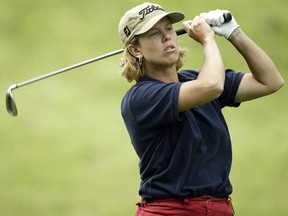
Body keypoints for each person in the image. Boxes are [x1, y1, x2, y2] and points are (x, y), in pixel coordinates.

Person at [118, 2, 284, 216]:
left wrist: (235, 33)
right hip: (168, 211)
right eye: (153, 34)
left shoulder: (195, 79)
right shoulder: (140, 98)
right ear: (135, 50)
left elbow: (270, 81)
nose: (167, 36)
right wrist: (207, 39)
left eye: (168, 28)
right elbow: (213, 86)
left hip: (219, 208)